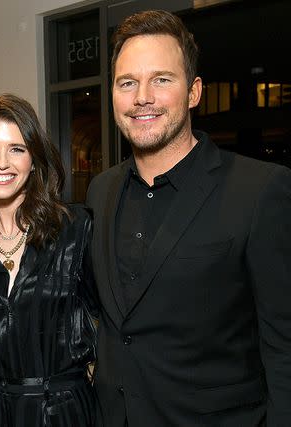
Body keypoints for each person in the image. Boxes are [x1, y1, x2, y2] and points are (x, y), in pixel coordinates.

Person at [86, 10, 291, 426]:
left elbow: (285, 346)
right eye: (128, 83)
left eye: (161, 79)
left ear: (194, 92)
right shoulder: (100, 191)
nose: (142, 96)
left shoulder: (260, 191)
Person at [0, 94, 98, 426]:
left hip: (62, 413)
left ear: (34, 159)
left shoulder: (77, 230)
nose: (3, 163)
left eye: (17, 149)